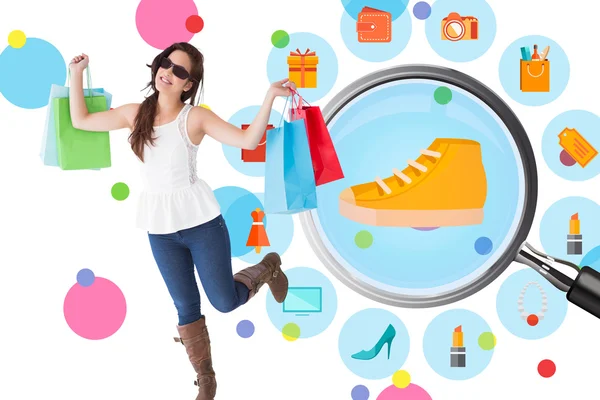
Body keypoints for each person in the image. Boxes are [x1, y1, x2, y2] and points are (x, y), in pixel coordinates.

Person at [68, 42, 293, 400]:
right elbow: (80, 121)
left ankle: (266, 268)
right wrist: (75, 75)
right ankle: (206, 380)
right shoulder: (134, 113)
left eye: (180, 72)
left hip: (202, 225)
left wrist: (269, 97)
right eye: (166, 64)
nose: (169, 73)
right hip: (160, 229)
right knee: (186, 307)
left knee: (223, 302)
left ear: (189, 84)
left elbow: (248, 139)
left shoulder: (195, 117)